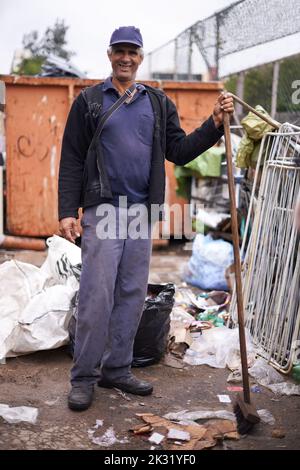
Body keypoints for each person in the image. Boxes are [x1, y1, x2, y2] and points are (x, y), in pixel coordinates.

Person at [58, 26, 234, 411]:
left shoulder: (156, 102)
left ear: (140, 57)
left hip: (142, 210)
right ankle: (84, 376)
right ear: (109, 54)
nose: (126, 58)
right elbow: (71, 157)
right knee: (95, 296)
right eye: (119, 51)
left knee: (132, 295)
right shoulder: (89, 101)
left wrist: (214, 125)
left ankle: (116, 369)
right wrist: (67, 211)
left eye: (132, 52)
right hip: (103, 209)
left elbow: (180, 150)